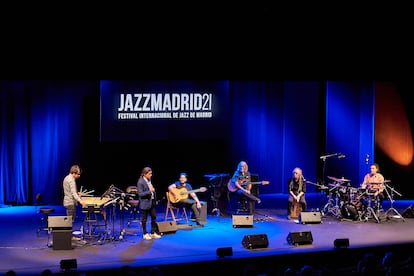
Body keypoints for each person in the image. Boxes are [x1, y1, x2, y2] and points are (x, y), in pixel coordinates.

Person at [137, 166, 161, 240]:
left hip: (152, 202)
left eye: (151, 173)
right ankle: (145, 233)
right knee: (144, 219)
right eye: (149, 174)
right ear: (145, 174)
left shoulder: (149, 180)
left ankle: (153, 232)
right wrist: (150, 191)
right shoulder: (140, 182)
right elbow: (140, 194)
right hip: (145, 203)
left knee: (153, 217)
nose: (151, 175)